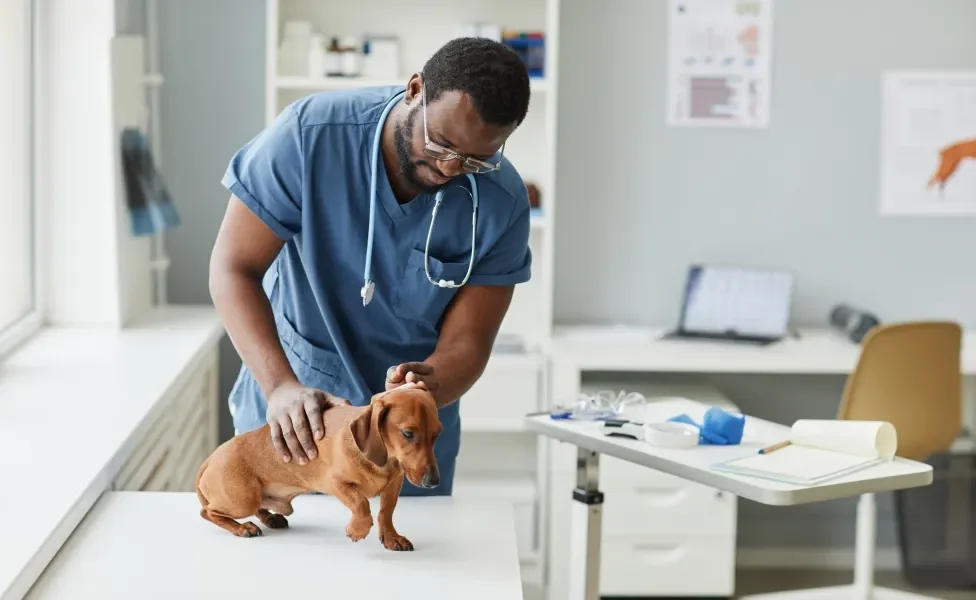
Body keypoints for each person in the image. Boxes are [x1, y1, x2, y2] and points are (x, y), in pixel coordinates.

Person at [209, 36, 534, 497]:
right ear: (415, 90)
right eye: (441, 143)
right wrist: (279, 385)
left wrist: (428, 385)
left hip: (408, 437)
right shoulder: (310, 136)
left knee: (402, 559)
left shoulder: (501, 203)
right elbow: (232, 267)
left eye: (475, 160)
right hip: (297, 419)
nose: (448, 168)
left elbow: (469, 341)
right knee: (280, 560)